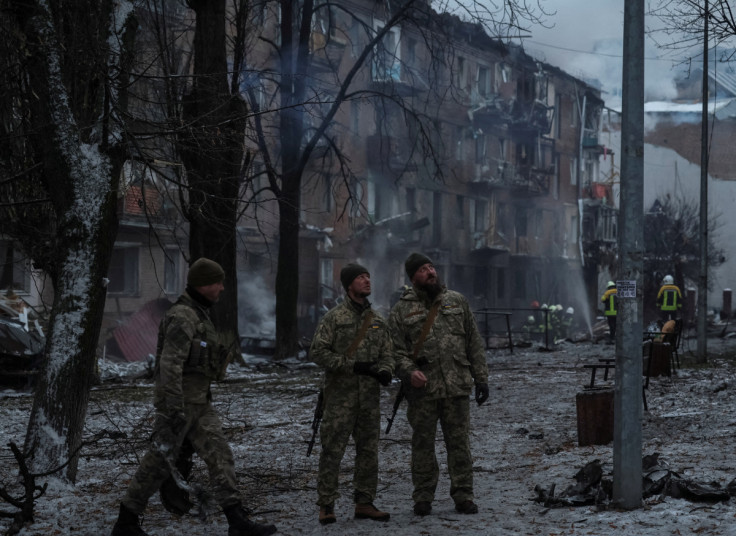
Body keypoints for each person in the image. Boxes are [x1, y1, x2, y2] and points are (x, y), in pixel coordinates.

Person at [111, 258, 277, 536]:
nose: (222, 288)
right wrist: (173, 408)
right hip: (179, 405)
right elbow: (170, 365)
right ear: (203, 284)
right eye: (218, 282)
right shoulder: (183, 316)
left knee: (220, 455)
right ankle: (126, 521)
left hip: (199, 404)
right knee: (158, 461)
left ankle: (236, 520)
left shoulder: (199, 313)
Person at [388, 252, 489, 517]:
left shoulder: (457, 302)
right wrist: (409, 372)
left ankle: (464, 496)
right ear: (413, 278)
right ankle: (423, 496)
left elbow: (474, 343)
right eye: (423, 269)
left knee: (459, 444)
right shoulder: (401, 310)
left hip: (456, 387)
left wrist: (482, 379)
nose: (431, 272)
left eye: (432, 267)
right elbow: (394, 351)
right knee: (422, 445)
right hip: (423, 392)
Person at [309, 263, 394, 525]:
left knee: (369, 451)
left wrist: (386, 371)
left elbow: (388, 353)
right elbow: (318, 352)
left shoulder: (378, 321)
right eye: (360, 277)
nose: (367, 281)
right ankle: (326, 505)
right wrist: (352, 366)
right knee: (332, 451)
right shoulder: (334, 318)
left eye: (368, 276)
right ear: (349, 285)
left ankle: (364, 502)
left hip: (369, 398)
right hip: (339, 398)